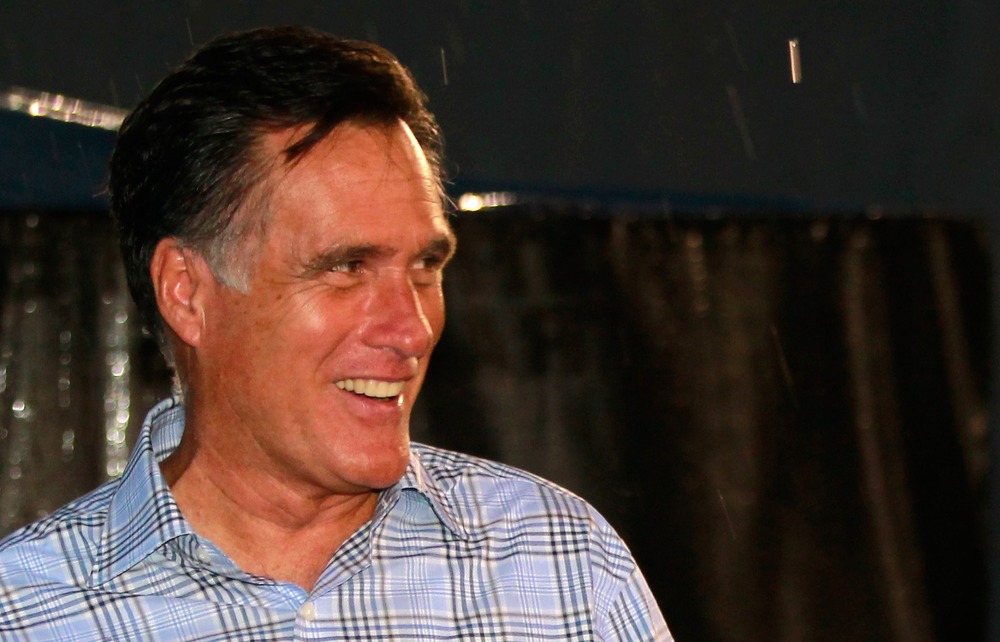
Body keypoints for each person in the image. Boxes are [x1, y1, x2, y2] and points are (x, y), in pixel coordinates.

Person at [0, 26, 671, 641]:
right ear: (187, 290)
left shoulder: (561, 568)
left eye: (425, 267)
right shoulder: (27, 612)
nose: (409, 329)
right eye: (347, 268)